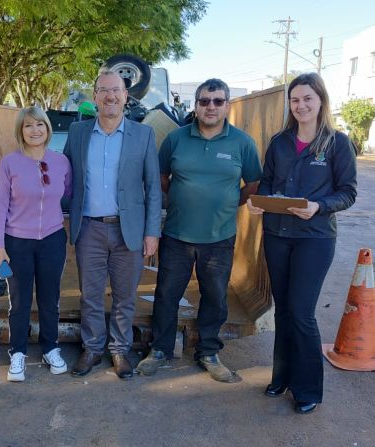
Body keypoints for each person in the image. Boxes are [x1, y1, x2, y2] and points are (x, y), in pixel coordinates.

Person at [137, 78, 262, 383]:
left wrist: (231, 202)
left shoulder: (242, 143)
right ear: (195, 105)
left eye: (218, 101)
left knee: (215, 296)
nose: (211, 106)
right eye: (204, 101)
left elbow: (254, 186)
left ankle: (208, 351)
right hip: (177, 234)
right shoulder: (176, 139)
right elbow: (162, 178)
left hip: (219, 238)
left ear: (227, 106)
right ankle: (161, 351)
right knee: (166, 294)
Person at [247, 73, 357, 414]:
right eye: (295, 100)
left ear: (321, 100)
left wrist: (318, 207)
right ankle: (281, 377)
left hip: (315, 239)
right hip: (278, 236)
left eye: (308, 98)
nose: (301, 105)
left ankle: (307, 388)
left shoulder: (337, 144)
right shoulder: (279, 142)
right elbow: (267, 182)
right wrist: (259, 200)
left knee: (303, 313)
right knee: (285, 310)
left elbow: (348, 192)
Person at [64, 71, 162, 380]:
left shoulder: (142, 135)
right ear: (94, 96)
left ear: (125, 96)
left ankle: (120, 350)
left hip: (128, 228)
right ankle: (92, 348)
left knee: (125, 295)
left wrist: (152, 232)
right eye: (103, 90)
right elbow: (64, 180)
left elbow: (153, 188)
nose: (110, 96)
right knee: (90, 294)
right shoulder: (78, 133)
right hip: (89, 228)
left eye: (116, 90)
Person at [0, 107, 72, 382]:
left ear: (48, 128)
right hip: (17, 242)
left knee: (50, 298)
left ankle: (50, 347)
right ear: (20, 131)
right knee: (20, 301)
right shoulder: (9, 164)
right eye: (28, 126)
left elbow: (67, 194)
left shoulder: (61, 162)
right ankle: (18, 353)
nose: (35, 130)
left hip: (52, 239)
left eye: (40, 124)